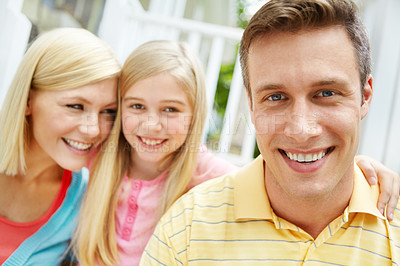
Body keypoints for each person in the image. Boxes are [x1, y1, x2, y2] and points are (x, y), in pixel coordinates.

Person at [74, 40, 399, 265]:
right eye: (136, 106)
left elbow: (271, 172)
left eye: (171, 110)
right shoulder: (101, 155)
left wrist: (352, 167)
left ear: (195, 115)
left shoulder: (206, 174)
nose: (152, 124)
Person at [140, 0, 400, 265]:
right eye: (276, 97)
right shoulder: (185, 231)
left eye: (326, 93)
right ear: (252, 105)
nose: (301, 130)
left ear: (365, 96)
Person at [0, 28, 120, 265]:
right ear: (27, 101)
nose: (94, 129)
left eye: (108, 111)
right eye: (75, 106)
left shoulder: (85, 203)